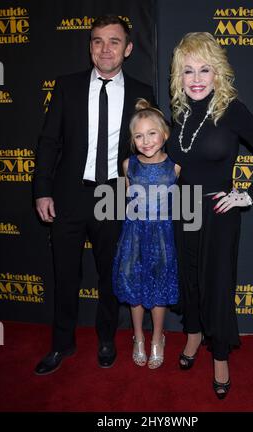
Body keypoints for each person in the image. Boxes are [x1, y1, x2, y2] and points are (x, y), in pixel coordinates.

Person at [33, 15, 154, 375]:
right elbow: (49, 142)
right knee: (64, 275)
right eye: (98, 41)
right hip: (69, 194)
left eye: (114, 41)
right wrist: (42, 190)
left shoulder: (142, 93)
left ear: (128, 49)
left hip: (115, 196)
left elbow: (151, 145)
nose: (105, 49)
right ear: (90, 47)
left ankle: (106, 339)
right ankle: (61, 344)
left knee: (110, 276)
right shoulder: (66, 87)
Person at [167, 32, 253, 398]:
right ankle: (194, 335)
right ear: (178, 76)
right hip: (183, 211)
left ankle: (219, 357)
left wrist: (246, 195)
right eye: (188, 71)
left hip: (218, 214)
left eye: (205, 69)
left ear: (218, 73)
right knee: (191, 281)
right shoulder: (178, 111)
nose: (197, 78)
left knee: (216, 287)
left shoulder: (231, 109)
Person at [112, 99, 180, 369]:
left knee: (160, 286)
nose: (146, 140)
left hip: (162, 236)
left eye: (152, 133)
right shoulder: (129, 165)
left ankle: (157, 338)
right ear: (132, 139)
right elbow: (127, 200)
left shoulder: (175, 167)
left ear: (164, 134)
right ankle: (138, 336)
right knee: (134, 285)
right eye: (139, 136)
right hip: (134, 235)